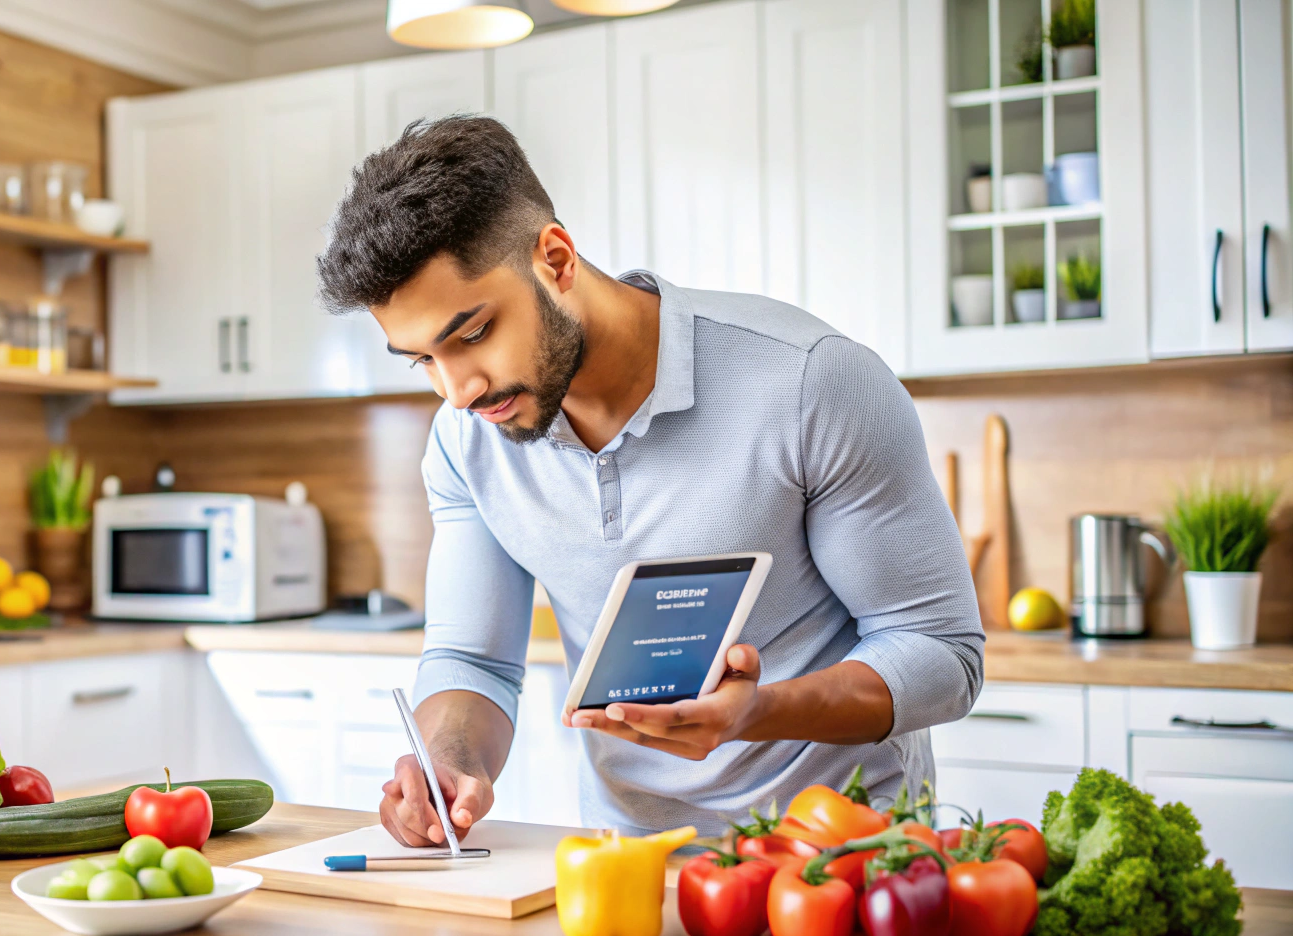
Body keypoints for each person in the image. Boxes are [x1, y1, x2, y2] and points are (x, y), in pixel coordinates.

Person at [316, 116, 984, 845]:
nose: (458, 390)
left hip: (844, 859)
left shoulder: (811, 381)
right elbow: (472, 659)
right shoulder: (466, 442)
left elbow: (939, 651)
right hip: (627, 865)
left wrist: (756, 712)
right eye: (421, 360)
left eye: (471, 334)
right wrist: (448, 762)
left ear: (556, 258)